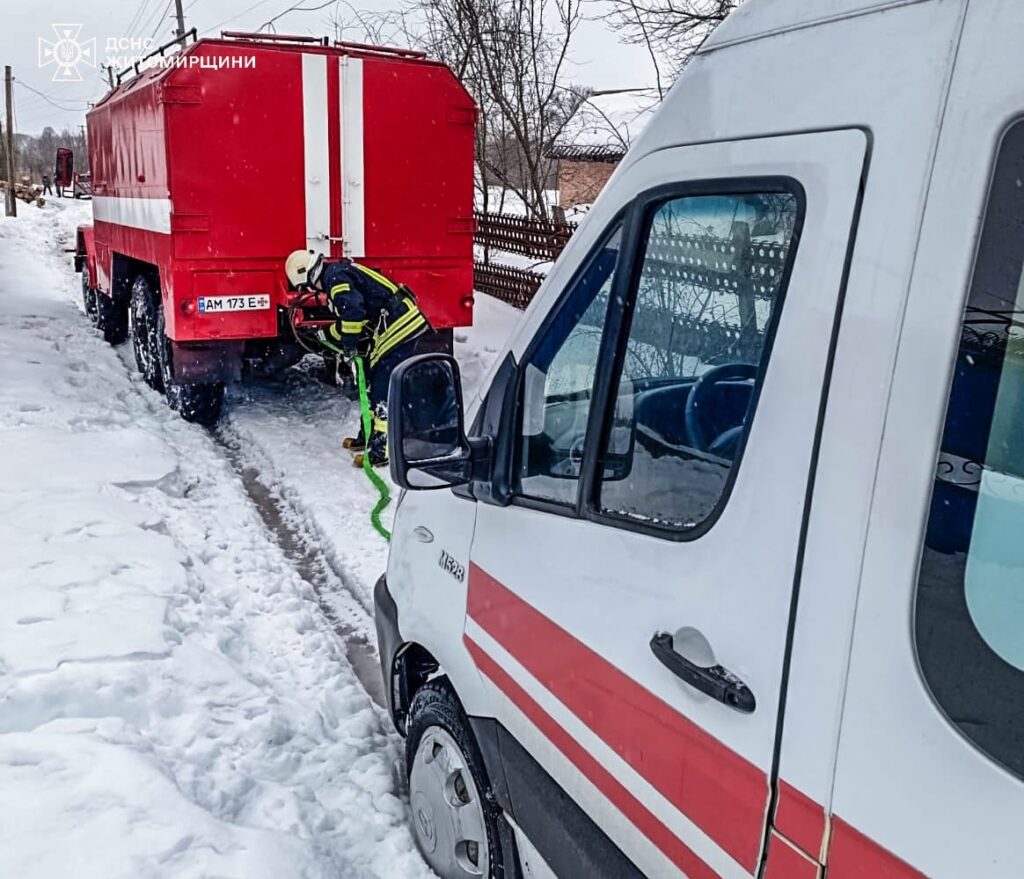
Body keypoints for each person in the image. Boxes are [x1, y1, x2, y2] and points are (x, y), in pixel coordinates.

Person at [284, 250, 432, 467]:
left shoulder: (335, 279)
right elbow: (352, 317)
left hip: (399, 326)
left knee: (382, 385)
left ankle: (382, 450)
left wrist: (349, 346)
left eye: (306, 287)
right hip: (393, 324)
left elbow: (353, 313)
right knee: (370, 380)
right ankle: (368, 436)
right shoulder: (336, 273)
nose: (310, 291)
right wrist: (327, 335)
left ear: (308, 277)